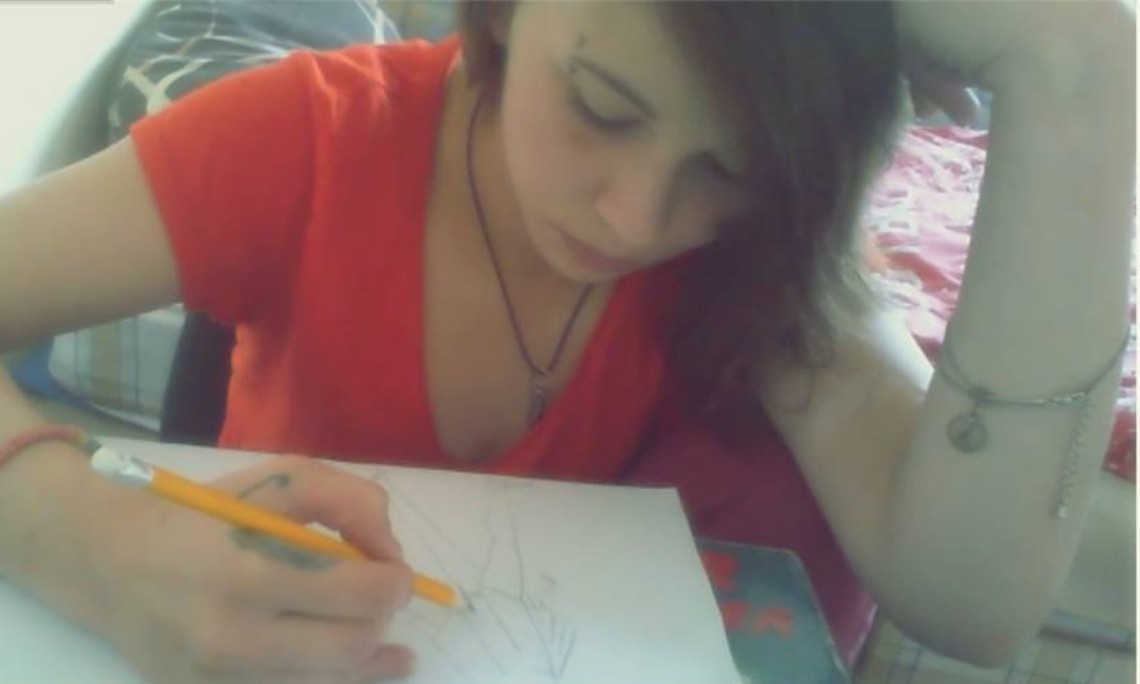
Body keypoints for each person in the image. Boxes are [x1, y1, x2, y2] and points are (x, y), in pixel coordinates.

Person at [0, 1, 1133, 682]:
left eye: (729, 165)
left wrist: (1078, 64)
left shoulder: (770, 261)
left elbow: (974, 602)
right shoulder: (306, 143)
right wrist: (77, 534)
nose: (635, 221)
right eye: (601, 105)